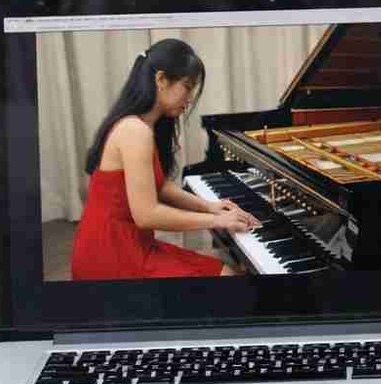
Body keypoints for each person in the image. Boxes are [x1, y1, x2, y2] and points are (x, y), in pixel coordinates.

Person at [70, 38, 261, 280]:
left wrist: (209, 206)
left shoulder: (142, 125)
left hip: (124, 242)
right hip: (110, 253)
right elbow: (147, 215)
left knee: (224, 270)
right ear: (161, 80)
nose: (189, 98)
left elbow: (158, 186)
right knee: (228, 277)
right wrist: (216, 219)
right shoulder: (134, 130)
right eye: (187, 87)